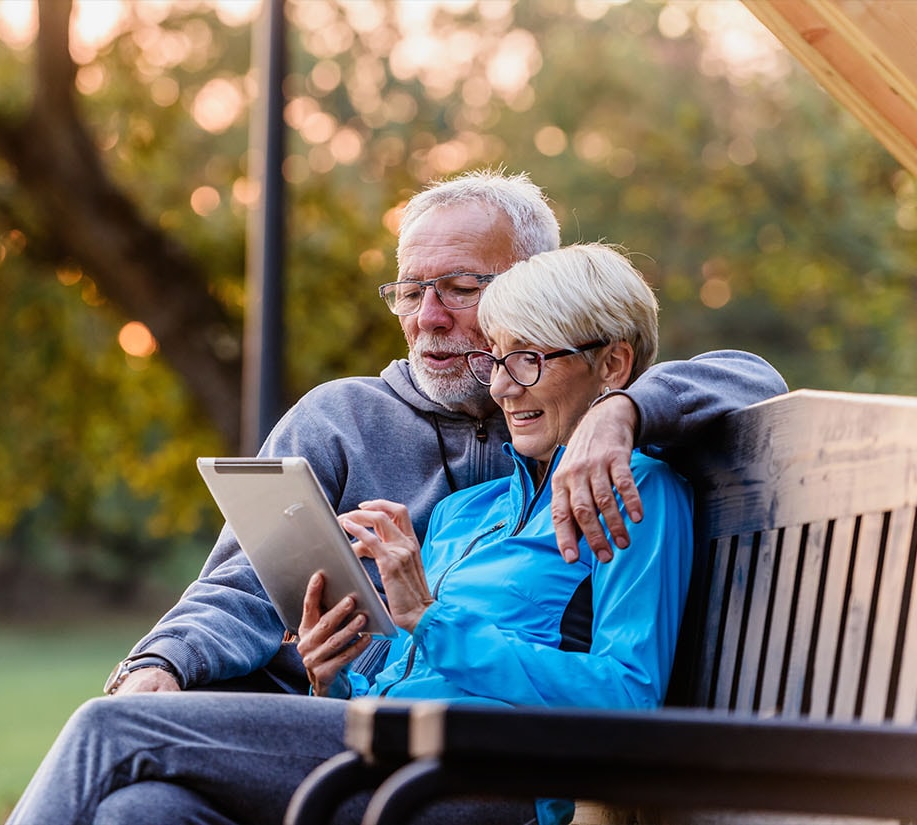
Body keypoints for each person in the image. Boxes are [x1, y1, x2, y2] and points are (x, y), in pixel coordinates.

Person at [6, 243, 696, 825]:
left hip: (486, 776)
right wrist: (335, 673)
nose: (506, 389)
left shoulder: (640, 492)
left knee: (112, 727)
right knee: (146, 809)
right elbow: (409, 668)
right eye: (499, 361)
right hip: (396, 754)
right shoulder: (470, 510)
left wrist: (429, 616)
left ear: (613, 364)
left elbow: (625, 697)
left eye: (531, 361)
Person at [108, 171, 785, 696]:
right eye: (410, 290)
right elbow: (242, 584)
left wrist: (622, 412)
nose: (428, 317)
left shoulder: (586, 420)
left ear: (529, 291)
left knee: (124, 754)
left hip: (448, 764)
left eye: (460, 287)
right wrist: (164, 663)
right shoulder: (344, 422)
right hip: (312, 713)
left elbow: (749, 377)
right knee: (135, 773)